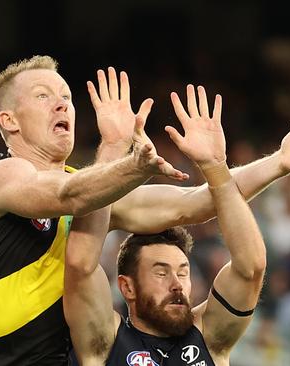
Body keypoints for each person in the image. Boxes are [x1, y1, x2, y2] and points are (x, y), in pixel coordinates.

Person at [0, 55, 290, 365]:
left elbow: (197, 205)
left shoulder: (92, 194)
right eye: (43, 97)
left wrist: (278, 162)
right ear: (9, 121)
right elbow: (70, 196)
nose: (62, 105)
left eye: (65, 96)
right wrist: (123, 156)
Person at [65, 85, 267, 365]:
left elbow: (250, 268)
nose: (177, 285)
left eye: (183, 273)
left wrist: (214, 166)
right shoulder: (106, 342)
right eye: (161, 273)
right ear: (127, 288)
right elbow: (79, 263)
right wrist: (113, 147)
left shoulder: (209, 337)